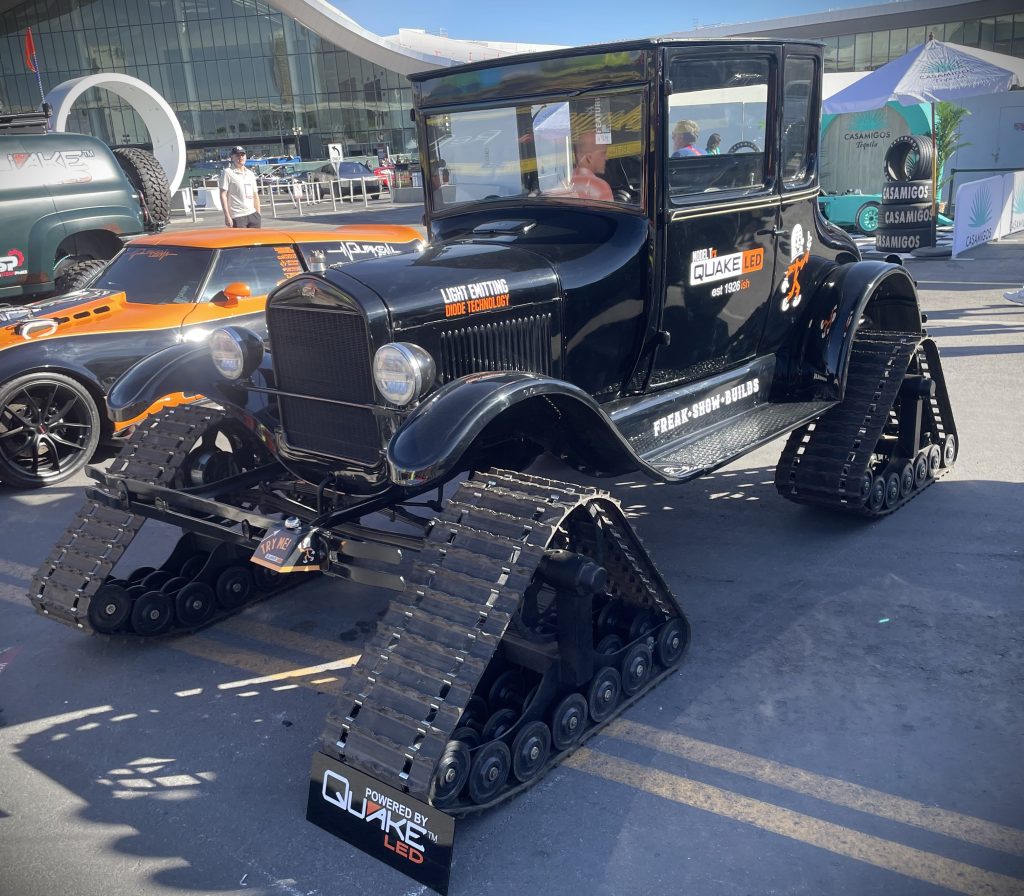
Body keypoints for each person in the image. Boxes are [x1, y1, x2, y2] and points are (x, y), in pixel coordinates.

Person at [219, 146, 261, 228]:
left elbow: (255, 195)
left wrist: (258, 214)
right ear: (232, 157)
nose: (240, 157)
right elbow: (223, 195)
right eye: (237, 155)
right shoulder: (227, 172)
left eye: (242, 155)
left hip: (253, 214)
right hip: (237, 216)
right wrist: (227, 216)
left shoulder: (250, 174)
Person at [569, 131, 613, 201]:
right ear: (589, 158)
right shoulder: (600, 187)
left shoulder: (563, 184)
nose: (606, 158)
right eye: (603, 153)